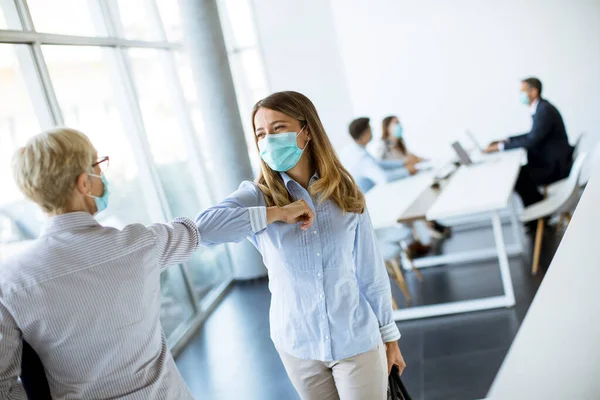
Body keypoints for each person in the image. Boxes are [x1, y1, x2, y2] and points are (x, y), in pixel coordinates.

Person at [196, 91, 406, 400]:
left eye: (279, 127)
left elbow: (370, 272)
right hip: (297, 345)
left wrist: (390, 338)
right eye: (261, 133)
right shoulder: (257, 196)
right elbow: (203, 230)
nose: (269, 139)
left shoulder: (344, 192)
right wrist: (278, 213)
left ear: (306, 130)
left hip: (356, 338)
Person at [0, 128, 200, 399]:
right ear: (84, 183)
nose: (102, 174)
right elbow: (191, 231)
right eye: (98, 165)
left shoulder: (10, 282)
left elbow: (3, 385)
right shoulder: (139, 244)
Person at [484, 77, 574, 209]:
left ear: (534, 92)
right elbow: (533, 134)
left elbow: (532, 140)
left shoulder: (544, 110)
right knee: (521, 174)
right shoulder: (541, 108)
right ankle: (538, 215)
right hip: (552, 161)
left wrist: (500, 147)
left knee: (518, 177)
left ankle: (539, 215)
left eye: (523, 91)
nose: (521, 95)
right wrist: (507, 140)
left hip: (555, 166)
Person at [341, 117, 417, 189]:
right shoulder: (361, 156)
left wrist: (403, 164)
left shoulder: (356, 150)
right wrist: (407, 170)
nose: (372, 132)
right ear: (365, 133)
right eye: (370, 129)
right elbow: (384, 178)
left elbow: (378, 163)